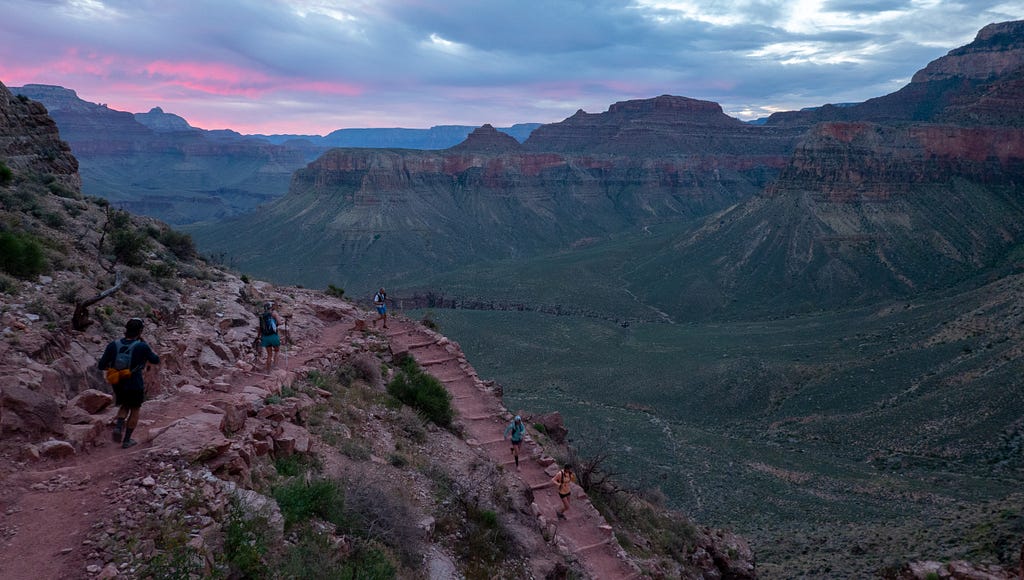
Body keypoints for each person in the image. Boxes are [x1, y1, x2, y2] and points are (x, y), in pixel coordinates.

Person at [97, 317, 160, 448]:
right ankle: (127, 440)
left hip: (118, 383)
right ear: (140, 331)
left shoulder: (113, 345)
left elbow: (101, 365)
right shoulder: (142, 346)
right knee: (135, 409)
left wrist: (115, 370)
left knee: (124, 405)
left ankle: (119, 427)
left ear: (126, 329)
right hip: (135, 382)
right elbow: (155, 360)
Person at [258, 301, 283, 372]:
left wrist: (258, 336)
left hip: (265, 337)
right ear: (271, 307)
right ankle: (275, 367)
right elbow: (279, 322)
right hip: (273, 336)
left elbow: (260, 328)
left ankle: (268, 370)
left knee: (269, 354)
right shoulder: (274, 313)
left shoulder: (262, 316)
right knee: (277, 351)